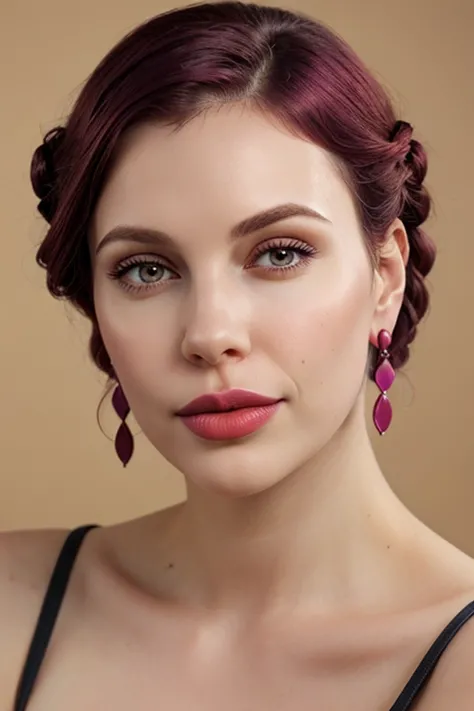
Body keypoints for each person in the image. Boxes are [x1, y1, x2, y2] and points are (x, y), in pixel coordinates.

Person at [1, 1, 473, 709]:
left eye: (279, 253)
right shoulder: (10, 605)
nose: (209, 333)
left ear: (385, 275)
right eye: (147, 269)